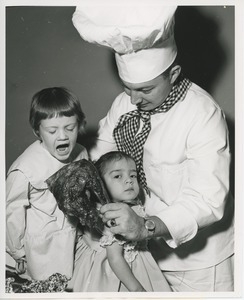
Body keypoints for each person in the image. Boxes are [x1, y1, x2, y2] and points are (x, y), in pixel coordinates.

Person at [72, 3, 234, 292]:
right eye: (127, 87)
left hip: (197, 262)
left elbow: (207, 199)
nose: (133, 99)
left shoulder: (203, 113)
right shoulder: (125, 105)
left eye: (145, 89)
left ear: (173, 75)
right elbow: (98, 160)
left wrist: (144, 227)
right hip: (142, 257)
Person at [6, 87, 88, 281]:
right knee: (47, 284)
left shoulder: (81, 154)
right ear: (37, 131)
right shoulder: (25, 169)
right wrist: (17, 251)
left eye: (70, 128)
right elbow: (11, 211)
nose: (62, 136)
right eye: (52, 130)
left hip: (72, 237)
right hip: (42, 247)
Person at [67, 151, 171, 292]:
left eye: (133, 175)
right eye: (117, 176)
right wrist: (136, 289)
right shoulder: (112, 215)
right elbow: (115, 258)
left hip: (139, 262)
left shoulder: (133, 207)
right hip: (120, 273)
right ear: (100, 185)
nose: (129, 180)